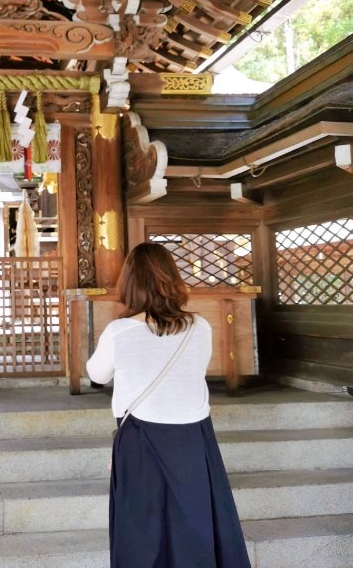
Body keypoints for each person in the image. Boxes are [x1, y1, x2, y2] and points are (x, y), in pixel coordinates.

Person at [87, 242, 250, 568]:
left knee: (142, 530)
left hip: (140, 439)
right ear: (172, 279)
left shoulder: (119, 332)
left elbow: (96, 374)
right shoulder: (199, 327)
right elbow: (192, 372)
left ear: (130, 283)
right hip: (194, 438)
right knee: (195, 523)